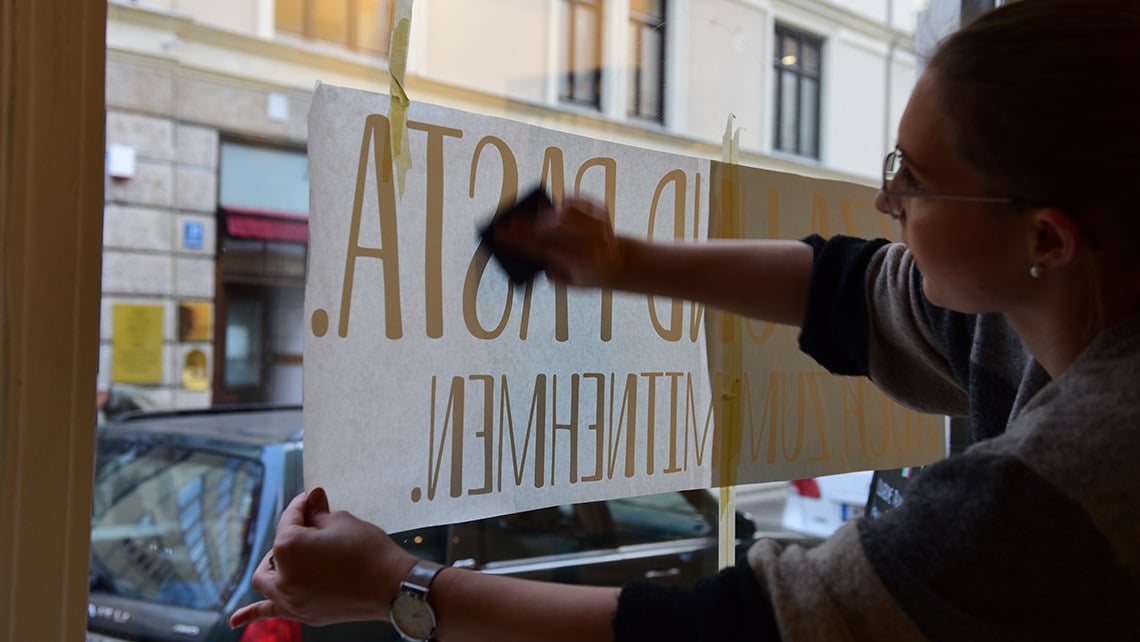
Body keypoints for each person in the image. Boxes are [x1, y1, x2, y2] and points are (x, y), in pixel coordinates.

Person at [230, 1, 1140, 640]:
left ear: (1046, 237)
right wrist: (627, 262)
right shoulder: (1028, 314)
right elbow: (852, 290)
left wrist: (398, 585)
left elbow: (740, 631)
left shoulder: (1071, 475)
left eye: (913, 176)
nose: (883, 197)